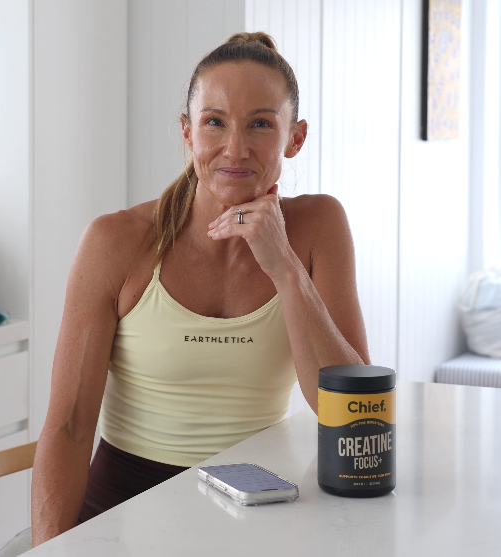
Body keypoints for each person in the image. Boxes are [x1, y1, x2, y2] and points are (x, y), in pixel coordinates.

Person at [31, 31, 370, 547]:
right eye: (215, 122)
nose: (235, 148)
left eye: (261, 124)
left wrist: (285, 268)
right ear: (188, 132)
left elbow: (352, 416)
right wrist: (49, 549)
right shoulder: (115, 241)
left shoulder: (319, 226)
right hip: (122, 522)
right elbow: (70, 428)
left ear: (295, 138)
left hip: (257, 521)